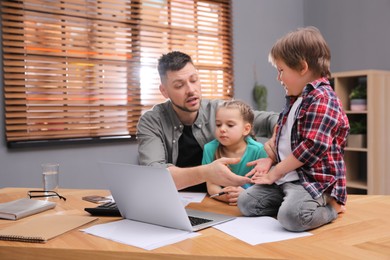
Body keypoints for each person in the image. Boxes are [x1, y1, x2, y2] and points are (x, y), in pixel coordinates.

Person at [237, 26, 350, 232]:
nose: (278, 78)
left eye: (281, 71)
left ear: (301, 66)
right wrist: (270, 158)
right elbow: (281, 135)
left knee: (292, 218)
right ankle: (291, 204)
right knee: (246, 203)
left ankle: (333, 208)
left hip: (312, 182)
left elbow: (311, 147)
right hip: (287, 178)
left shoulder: (323, 100)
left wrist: (274, 173)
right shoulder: (296, 99)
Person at [137, 51, 278, 192]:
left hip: (219, 199)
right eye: (179, 85)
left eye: (194, 80)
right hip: (177, 201)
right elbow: (155, 175)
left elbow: (273, 120)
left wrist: (274, 143)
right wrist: (206, 172)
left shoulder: (219, 111)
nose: (191, 90)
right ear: (164, 91)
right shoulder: (151, 122)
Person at [202, 100, 268, 205]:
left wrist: (245, 195)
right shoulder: (209, 149)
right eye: (218, 124)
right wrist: (225, 196)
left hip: (251, 205)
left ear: (246, 129)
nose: (222, 129)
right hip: (222, 204)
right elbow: (211, 185)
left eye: (230, 125)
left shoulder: (259, 151)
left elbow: (263, 187)